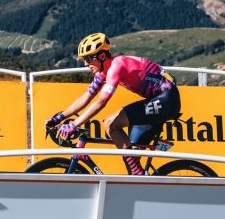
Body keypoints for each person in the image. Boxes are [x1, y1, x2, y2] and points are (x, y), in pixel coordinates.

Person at [43, 32, 181, 176]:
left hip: (167, 99)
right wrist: (58, 118)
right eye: (83, 59)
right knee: (130, 158)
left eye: (88, 59)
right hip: (156, 99)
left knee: (110, 123)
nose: (85, 64)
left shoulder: (117, 66)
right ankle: (141, 186)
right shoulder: (102, 72)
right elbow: (85, 98)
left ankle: (138, 174)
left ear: (102, 56)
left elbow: (101, 102)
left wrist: (74, 125)